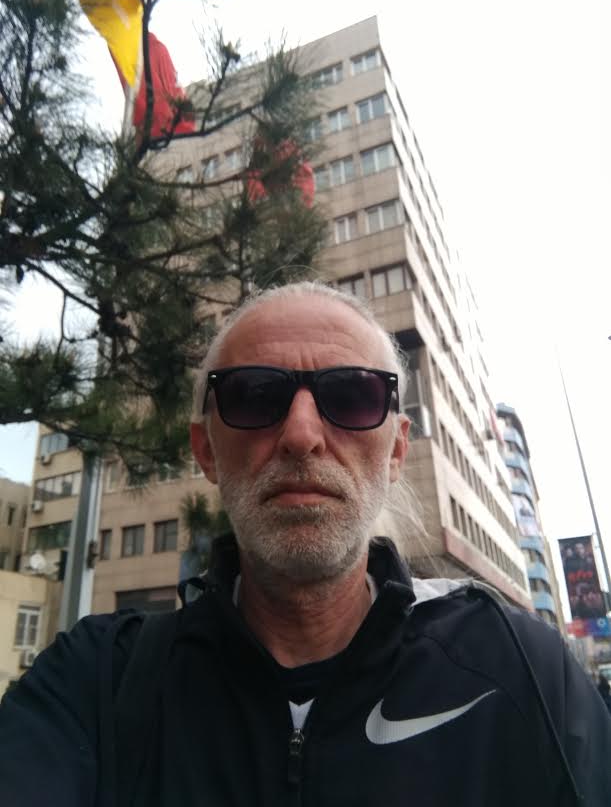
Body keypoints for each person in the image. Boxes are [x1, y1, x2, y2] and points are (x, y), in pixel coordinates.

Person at [1, 281, 610, 806]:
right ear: (205, 449)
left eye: (352, 396)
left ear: (397, 450)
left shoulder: (525, 671)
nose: (301, 434)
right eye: (253, 395)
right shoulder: (96, 682)